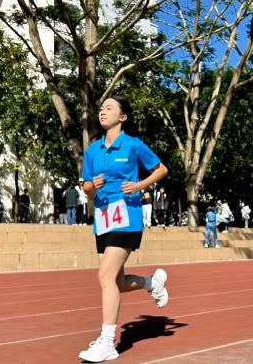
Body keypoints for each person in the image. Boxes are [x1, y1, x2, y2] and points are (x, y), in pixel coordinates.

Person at [78, 96, 169, 363]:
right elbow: (86, 188)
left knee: (105, 275)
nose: (102, 111)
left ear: (123, 117)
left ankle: (108, 342)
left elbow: (161, 169)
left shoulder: (133, 145)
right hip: (103, 219)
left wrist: (139, 186)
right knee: (115, 282)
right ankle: (151, 283)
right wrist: (92, 186)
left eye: (109, 108)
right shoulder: (92, 150)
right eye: (101, 108)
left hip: (127, 217)